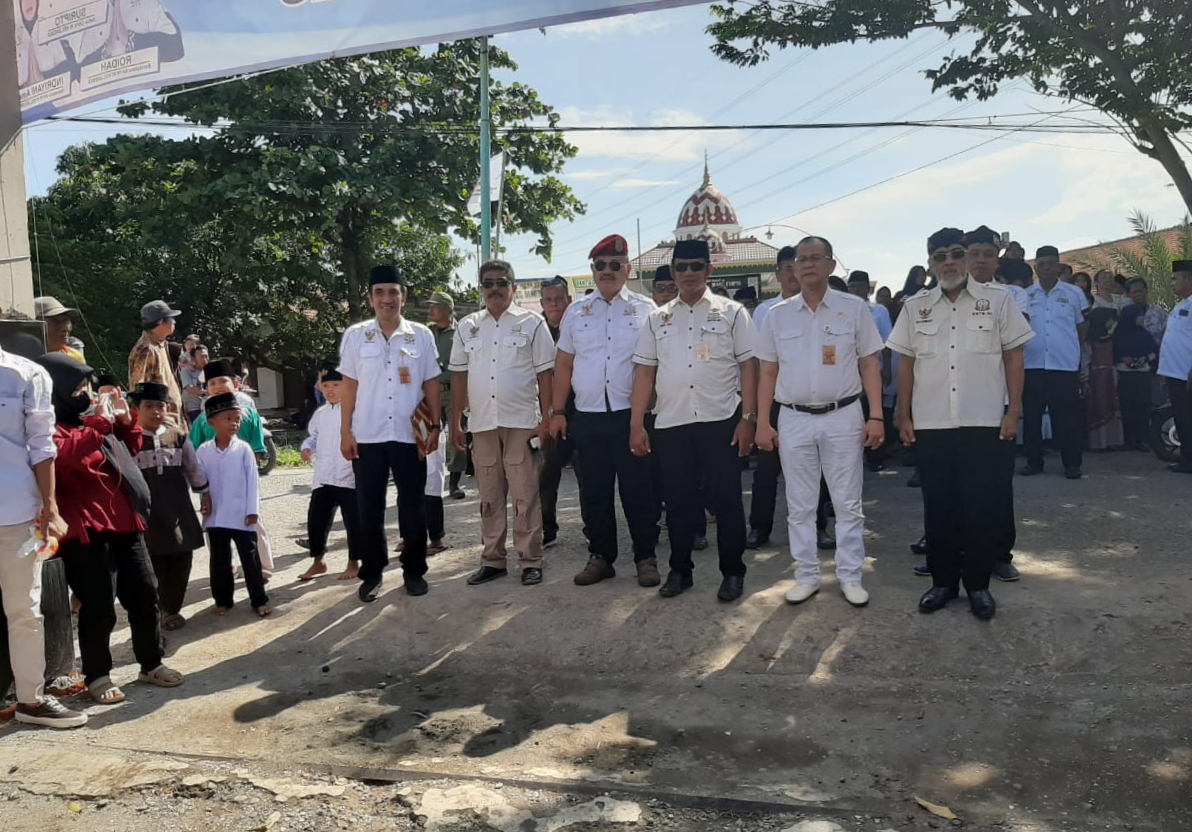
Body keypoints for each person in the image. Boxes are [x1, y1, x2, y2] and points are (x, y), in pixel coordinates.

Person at [889, 228, 1034, 620]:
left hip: (983, 420)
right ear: (930, 264)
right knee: (939, 506)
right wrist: (903, 413)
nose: (949, 262)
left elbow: (1014, 357)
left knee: (980, 506)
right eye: (940, 257)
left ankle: (978, 586)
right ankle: (943, 582)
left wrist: (1013, 411)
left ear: (968, 258)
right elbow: (906, 363)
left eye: (956, 254)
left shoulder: (999, 300)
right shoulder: (914, 307)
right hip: (931, 421)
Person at [38, 353, 182, 705]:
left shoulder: (90, 422)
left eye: (87, 387)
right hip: (84, 528)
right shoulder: (45, 427)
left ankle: (151, 662)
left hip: (123, 521)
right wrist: (101, 424)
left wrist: (123, 420)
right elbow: (64, 459)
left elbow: (128, 449)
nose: (86, 394)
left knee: (145, 592)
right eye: (78, 388)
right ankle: (98, 675)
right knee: (98, 604)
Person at [754, 236, 884, 608]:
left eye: (816, 258)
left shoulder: (853, 309)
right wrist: (762, 422)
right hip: (794, 417)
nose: (808, 265)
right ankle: (807, 575)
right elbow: (767, 372)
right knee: (800, 504)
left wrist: (876, 415)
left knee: (847, 502)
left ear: (831, 265)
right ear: (793, 268)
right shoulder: (778, 315)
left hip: (843, 415)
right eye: (802, 259)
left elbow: (869, 364)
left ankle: (850, 575)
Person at [630, 238, 757, 602]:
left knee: (727, 501)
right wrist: (636, 424)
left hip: (721, 420)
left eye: (696, 266)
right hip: (672, 423)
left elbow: (749, 366)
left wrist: (748, 418)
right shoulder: (657, 319)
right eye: (681, 267)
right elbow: (644, 373)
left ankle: (732, 572)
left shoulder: (732, 313)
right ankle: (680, 571)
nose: (688, 273)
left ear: (709, 269)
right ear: (673, 271)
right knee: (678, 502)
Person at [552, 235, 660, 588]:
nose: (608, 271)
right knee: (594, 492)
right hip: (588, 416)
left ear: (628, 269)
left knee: (638, 490)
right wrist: (557, 411)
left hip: (632, 416)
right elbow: (563, 364)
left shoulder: (646, 310)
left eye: (615, 265)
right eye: (601, 265)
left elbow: (655, 364)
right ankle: (601, 557)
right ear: (593, 270)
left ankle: (645, 557)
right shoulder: (576, 312)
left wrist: (647, 411)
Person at [339, 265, 442, 602]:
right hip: (367, 435)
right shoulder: (356, 336)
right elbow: (349, 385)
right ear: (370, 298)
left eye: (393, 292)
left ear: (404, 297)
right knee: (368, 508)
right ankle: (372, 573)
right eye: (380, 292)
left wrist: (436, 425)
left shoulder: (421, 335)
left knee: (413, 506)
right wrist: (345, 431)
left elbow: (431, 383)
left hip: (409, 435)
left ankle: (414, 570)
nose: (387, 299)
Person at [452, 260, 555, 588]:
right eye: (488, 283)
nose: (494, 288)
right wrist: (455, 423)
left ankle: (530, 560)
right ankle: (493, 560)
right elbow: (459, 376)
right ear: (480, 288)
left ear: (513, 286)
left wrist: (547, 419)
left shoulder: (532, 323)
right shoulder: (467, 326)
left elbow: (546, 374)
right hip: (482, 424)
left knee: (525, 494)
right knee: (490, 496)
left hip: (522, 422)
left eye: (501, 282)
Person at [0, 342, 86, 728]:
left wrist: (50, 507)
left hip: (15, 513)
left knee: (24, 611)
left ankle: (30, 700)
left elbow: (41, 444)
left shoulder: (26, 374)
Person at [747, 246, 834, 552]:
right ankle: (759, 528)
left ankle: (817, 527)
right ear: (779, 274)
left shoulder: (822, 307)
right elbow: (758, 364)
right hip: (774, 400)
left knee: (814, 469)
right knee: (766, 470)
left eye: (795, 266)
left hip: (811, 401)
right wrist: (757, 412)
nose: (792, 274)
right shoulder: (765, 312)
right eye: (786, 268)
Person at [957, 225, 1029, 582]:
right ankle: (950, 552)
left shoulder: (1007, 298)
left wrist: (1013, 410)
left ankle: (1000, 554)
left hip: (994, 407)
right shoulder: (944, 298)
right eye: (974, 254)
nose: (981, 261)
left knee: (997, 485)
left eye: (988, 254)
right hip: (950, 410)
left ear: (997, 259)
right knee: (951, 485)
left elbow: (1015, 358)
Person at [127, 381, 207, 632]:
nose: (155, 411)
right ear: (137, 409)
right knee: (154, 560)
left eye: (160, 406)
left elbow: (193, 468)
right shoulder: (129, 440)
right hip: (145, 512)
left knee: (182, 555)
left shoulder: (178, 436)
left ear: (168, 408)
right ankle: (160, 609)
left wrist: (205, 494)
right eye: (148, 406)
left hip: (177, 508)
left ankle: (171, 608)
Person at [645, 266, 709, 550]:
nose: (666, 293)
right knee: (654, 477)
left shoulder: (693, 320)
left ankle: (696, 529)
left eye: (671, 288)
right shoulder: (648, 320)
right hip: (651, 410)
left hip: (685, 410)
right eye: (661, 288)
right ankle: (657, 530)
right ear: (653, 292)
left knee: (691, 476)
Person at [195, 393, 270, 616]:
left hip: (241, 515)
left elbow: (253, 482)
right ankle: (223, 600)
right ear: (212, 423)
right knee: (220, 561)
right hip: (216, 517)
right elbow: (200, 480)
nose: (234, 423)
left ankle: (259, 599)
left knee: (250, 559)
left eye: (237, 419)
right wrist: (205, 500)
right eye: (228, 419)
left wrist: (253, 511)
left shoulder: (244, 449)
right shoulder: (204, 451)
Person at [1022, 245, 1089, 479]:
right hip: (1032, 366)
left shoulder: (1074, 293)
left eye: (1051, 264)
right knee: (1032, 418)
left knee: (1068, 419)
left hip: (1064, 366)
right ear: (1035, 267)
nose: (1047, 268)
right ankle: (1033, 461)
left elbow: (1082, 327)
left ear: (1059, 266)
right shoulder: (1026, 295)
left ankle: (1072, 464)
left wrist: (1069, 348)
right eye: (1042, 264)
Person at [297, 369, 361, 583]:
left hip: (348, 475)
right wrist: (307, 448)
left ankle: (354, 561)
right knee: (316, 520)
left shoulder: (355, 410)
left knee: (353, 522)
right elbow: (313, 437)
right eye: (326, 386)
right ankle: (318, 561)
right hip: (324, 476)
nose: (331, 390)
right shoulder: (320, 414)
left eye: (335, 385)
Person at [537, 276, 582, 549]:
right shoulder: (535, 332)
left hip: (580, 410)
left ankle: (594, 529)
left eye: (559, 299)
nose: (554, 304)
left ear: (569, 300)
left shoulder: (580, 327)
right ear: (542, 303)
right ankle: (546, 529)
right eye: (549, 300)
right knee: (546, 475)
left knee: (587, 474)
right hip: (548, 412)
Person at [846, 270, 893, 472]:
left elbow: (887, 342)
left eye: (860, 286)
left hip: (873, 368)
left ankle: (875, 456)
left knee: (873, 412)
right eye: (852, 286)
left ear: (868, 289)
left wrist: (887, 369)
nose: (856, 290)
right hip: (848, 373)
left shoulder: (879, 311)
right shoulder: (841, 309)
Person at [428, 291, 467, 500]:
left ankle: (454, 483)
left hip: (454, 391)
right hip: (431, 392)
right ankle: (429, 481)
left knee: (456, 435)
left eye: (435, 306)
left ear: (448, 309)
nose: (431, 310)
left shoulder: (461, 332)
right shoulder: (427, 332)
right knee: (427, 434)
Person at [189, 359, 268, 455]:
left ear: (235, 384)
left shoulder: (250, 414)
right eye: (212, 383)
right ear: (207, 389)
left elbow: (257, 447)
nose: (218, 386)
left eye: (223, 381)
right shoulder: (202, 419)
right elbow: (194, 450)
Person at [1158, 261, 1192, 473]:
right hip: (1176, 372)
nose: (1173, 283)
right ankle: (1187, 459)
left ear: (1188, 279)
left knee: (1188, 417)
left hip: (1187, 374)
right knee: (1182, 417)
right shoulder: (1181, 305)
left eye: (1176, 278)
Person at [128, 300, 185, 425]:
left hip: (172, 418)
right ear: (160, 322)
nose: (174, 322)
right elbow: (137, 387)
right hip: (158, 421)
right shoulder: (146, 348)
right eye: (171, 318)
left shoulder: (161, 344)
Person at [1087, 271, 1126, 451]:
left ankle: (1115, 439)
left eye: (1110, 278)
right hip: (1097, 349)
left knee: (1114, 392)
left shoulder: (1121, 301)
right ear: (1096, 282)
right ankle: (1099, 440)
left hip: (1117, 348)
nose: (1107, 281)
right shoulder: (1092, 301)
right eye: (1103, 278)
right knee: (1100, 392)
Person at [1114, 302, 1159, 452]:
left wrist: (1145, 358)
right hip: (1124, 375)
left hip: (1142, 375)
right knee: (1126, 407)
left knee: (1143, 407)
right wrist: (1123, 358)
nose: (1141, 319)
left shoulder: (1145, 334)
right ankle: (1128, 439)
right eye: (1139, 316)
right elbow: (1112, 352)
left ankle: (1143, 439)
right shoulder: (1118, 335)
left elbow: (1154, 351)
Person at [33, 297, 85, 363]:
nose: (65, 328)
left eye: (66, 321)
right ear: (35, 325)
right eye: (56, 321)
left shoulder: (75, 356)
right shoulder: (25, 358)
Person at [181, 344, 208, 425]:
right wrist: (207, 392)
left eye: (206, 356)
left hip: (209, 407)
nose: (204, 359)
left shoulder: (210, 371)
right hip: (193, 409)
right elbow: (190, 388)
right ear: (193, 358)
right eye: (201, 357)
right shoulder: (186, 371)